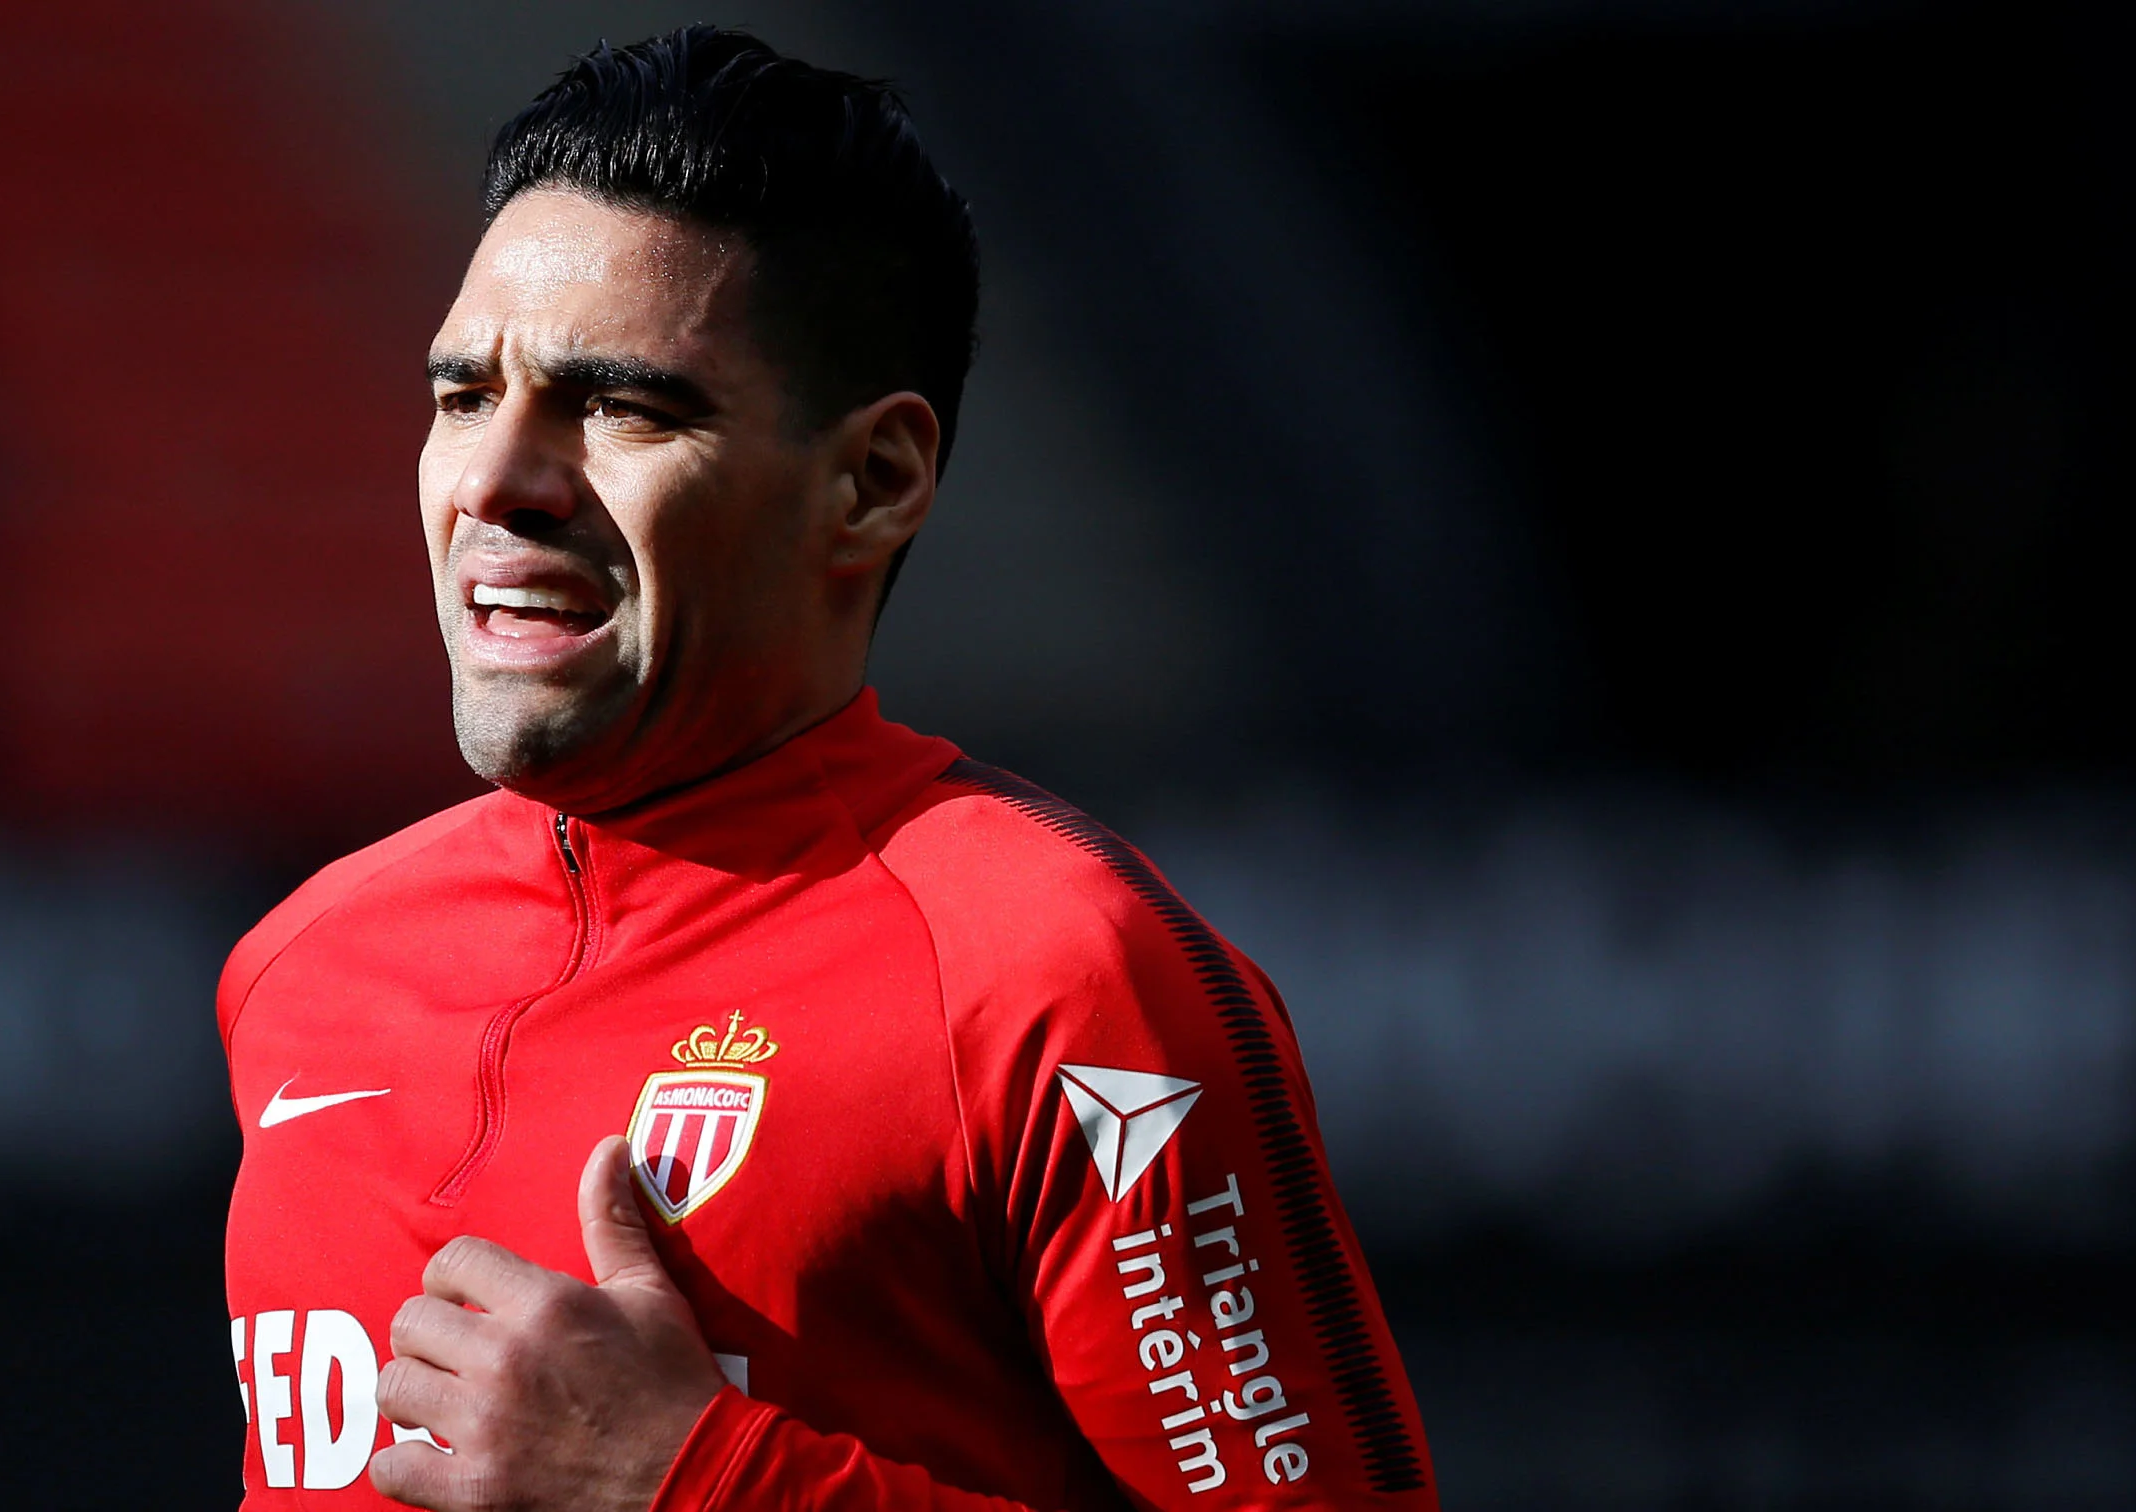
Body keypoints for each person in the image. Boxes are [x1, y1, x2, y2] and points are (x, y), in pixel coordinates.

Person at [218, 27, 1435, 1511]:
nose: (496, 481)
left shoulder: (1057, 982)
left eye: (622, 406)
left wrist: (703, 1480)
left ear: (873, 481)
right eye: (465, 396)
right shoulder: (300, 970)